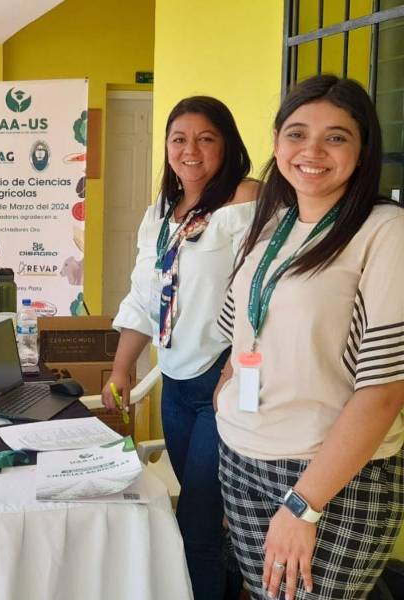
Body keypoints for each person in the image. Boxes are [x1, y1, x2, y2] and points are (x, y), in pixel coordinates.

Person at [215, 75, 404, 600]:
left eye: (337, 137)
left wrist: (303, 505)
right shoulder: (271, 224)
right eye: (296, 134)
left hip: (328, 476)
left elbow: (385, 390)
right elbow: (242, 331)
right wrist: (227, 391)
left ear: (363, 150)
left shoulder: (386, 231)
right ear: (276, 144)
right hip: (242, 456)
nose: (312, 151)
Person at [102, 96, 258, 599]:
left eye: (205, 138)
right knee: (199, 508)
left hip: (224, 382)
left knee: (197, 519)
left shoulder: (247, 203)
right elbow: (144, 298)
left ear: (228, 144)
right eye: (178, 139)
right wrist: (121, 369)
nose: (190, 150)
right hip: (175, 381)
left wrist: (237, 372)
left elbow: (267, 296)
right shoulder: (162, 216)